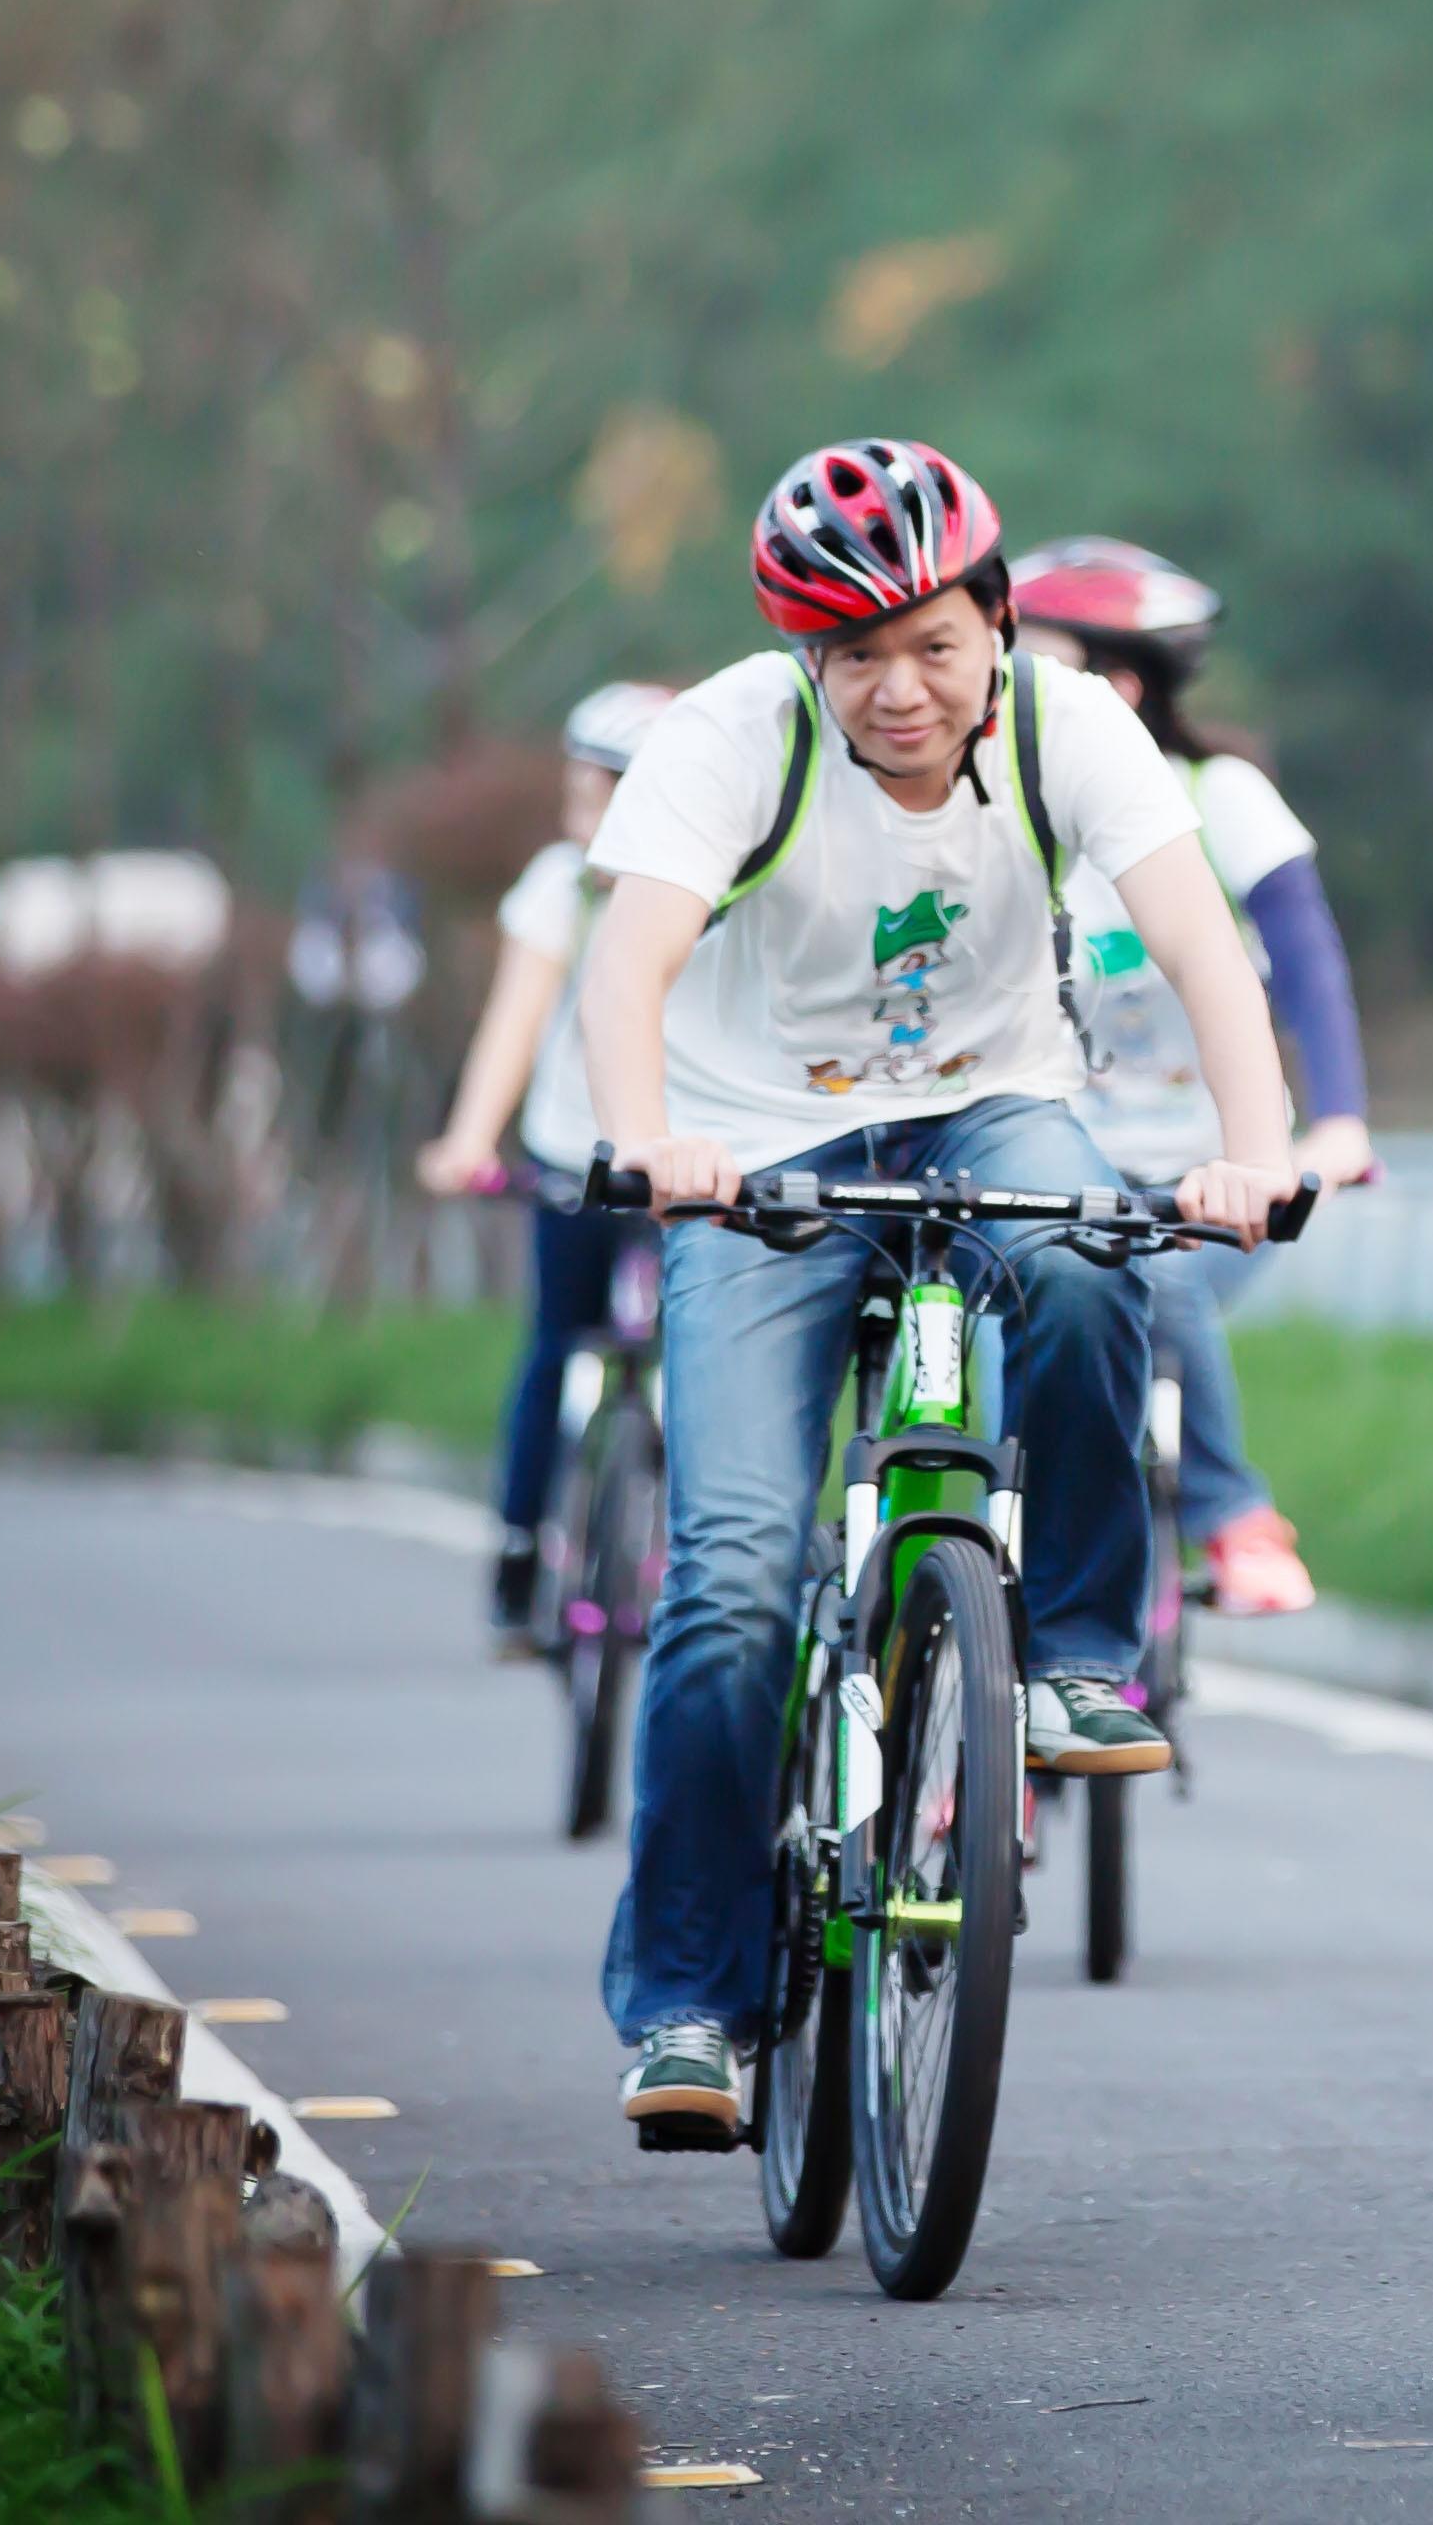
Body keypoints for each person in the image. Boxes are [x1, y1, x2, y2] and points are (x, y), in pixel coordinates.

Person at [576, 438, 1305, 2148]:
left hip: (995, 1102)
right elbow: (632, 959)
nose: (898, 690)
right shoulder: (725, 743)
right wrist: (647, 1142)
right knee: (740, 1583)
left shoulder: (1072, 727)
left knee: (1075, 1249)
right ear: (801, 658)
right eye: (853, 657)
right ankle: (688, 2005)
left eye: (934, 646)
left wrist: (1252, 1150)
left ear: (999, 620)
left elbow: (1201, 942)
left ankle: (1073, 1656)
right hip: (759, 1155)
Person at [1011, 533, 1381, 1619]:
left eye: (1030, 658)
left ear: (1116, 683)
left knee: (1154, 1269)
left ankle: (1229, 1513)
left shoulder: (1219, 795)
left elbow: (1307, 961)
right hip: (1042, 1160)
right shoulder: (1000, 795)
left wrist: (1341, 1122)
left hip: (1206, 1173)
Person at [422, 678, 678, 1633]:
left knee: (700, 1361)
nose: (588, 816)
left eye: (609, 791)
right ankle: (520, 1546)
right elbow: (516, 1022)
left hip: (693, 1165)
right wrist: (468, 1140)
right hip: (577, 1151)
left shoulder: (727, 884)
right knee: (555, 1345)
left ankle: (701, 1562)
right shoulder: (560, 887)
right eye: (581, 790)